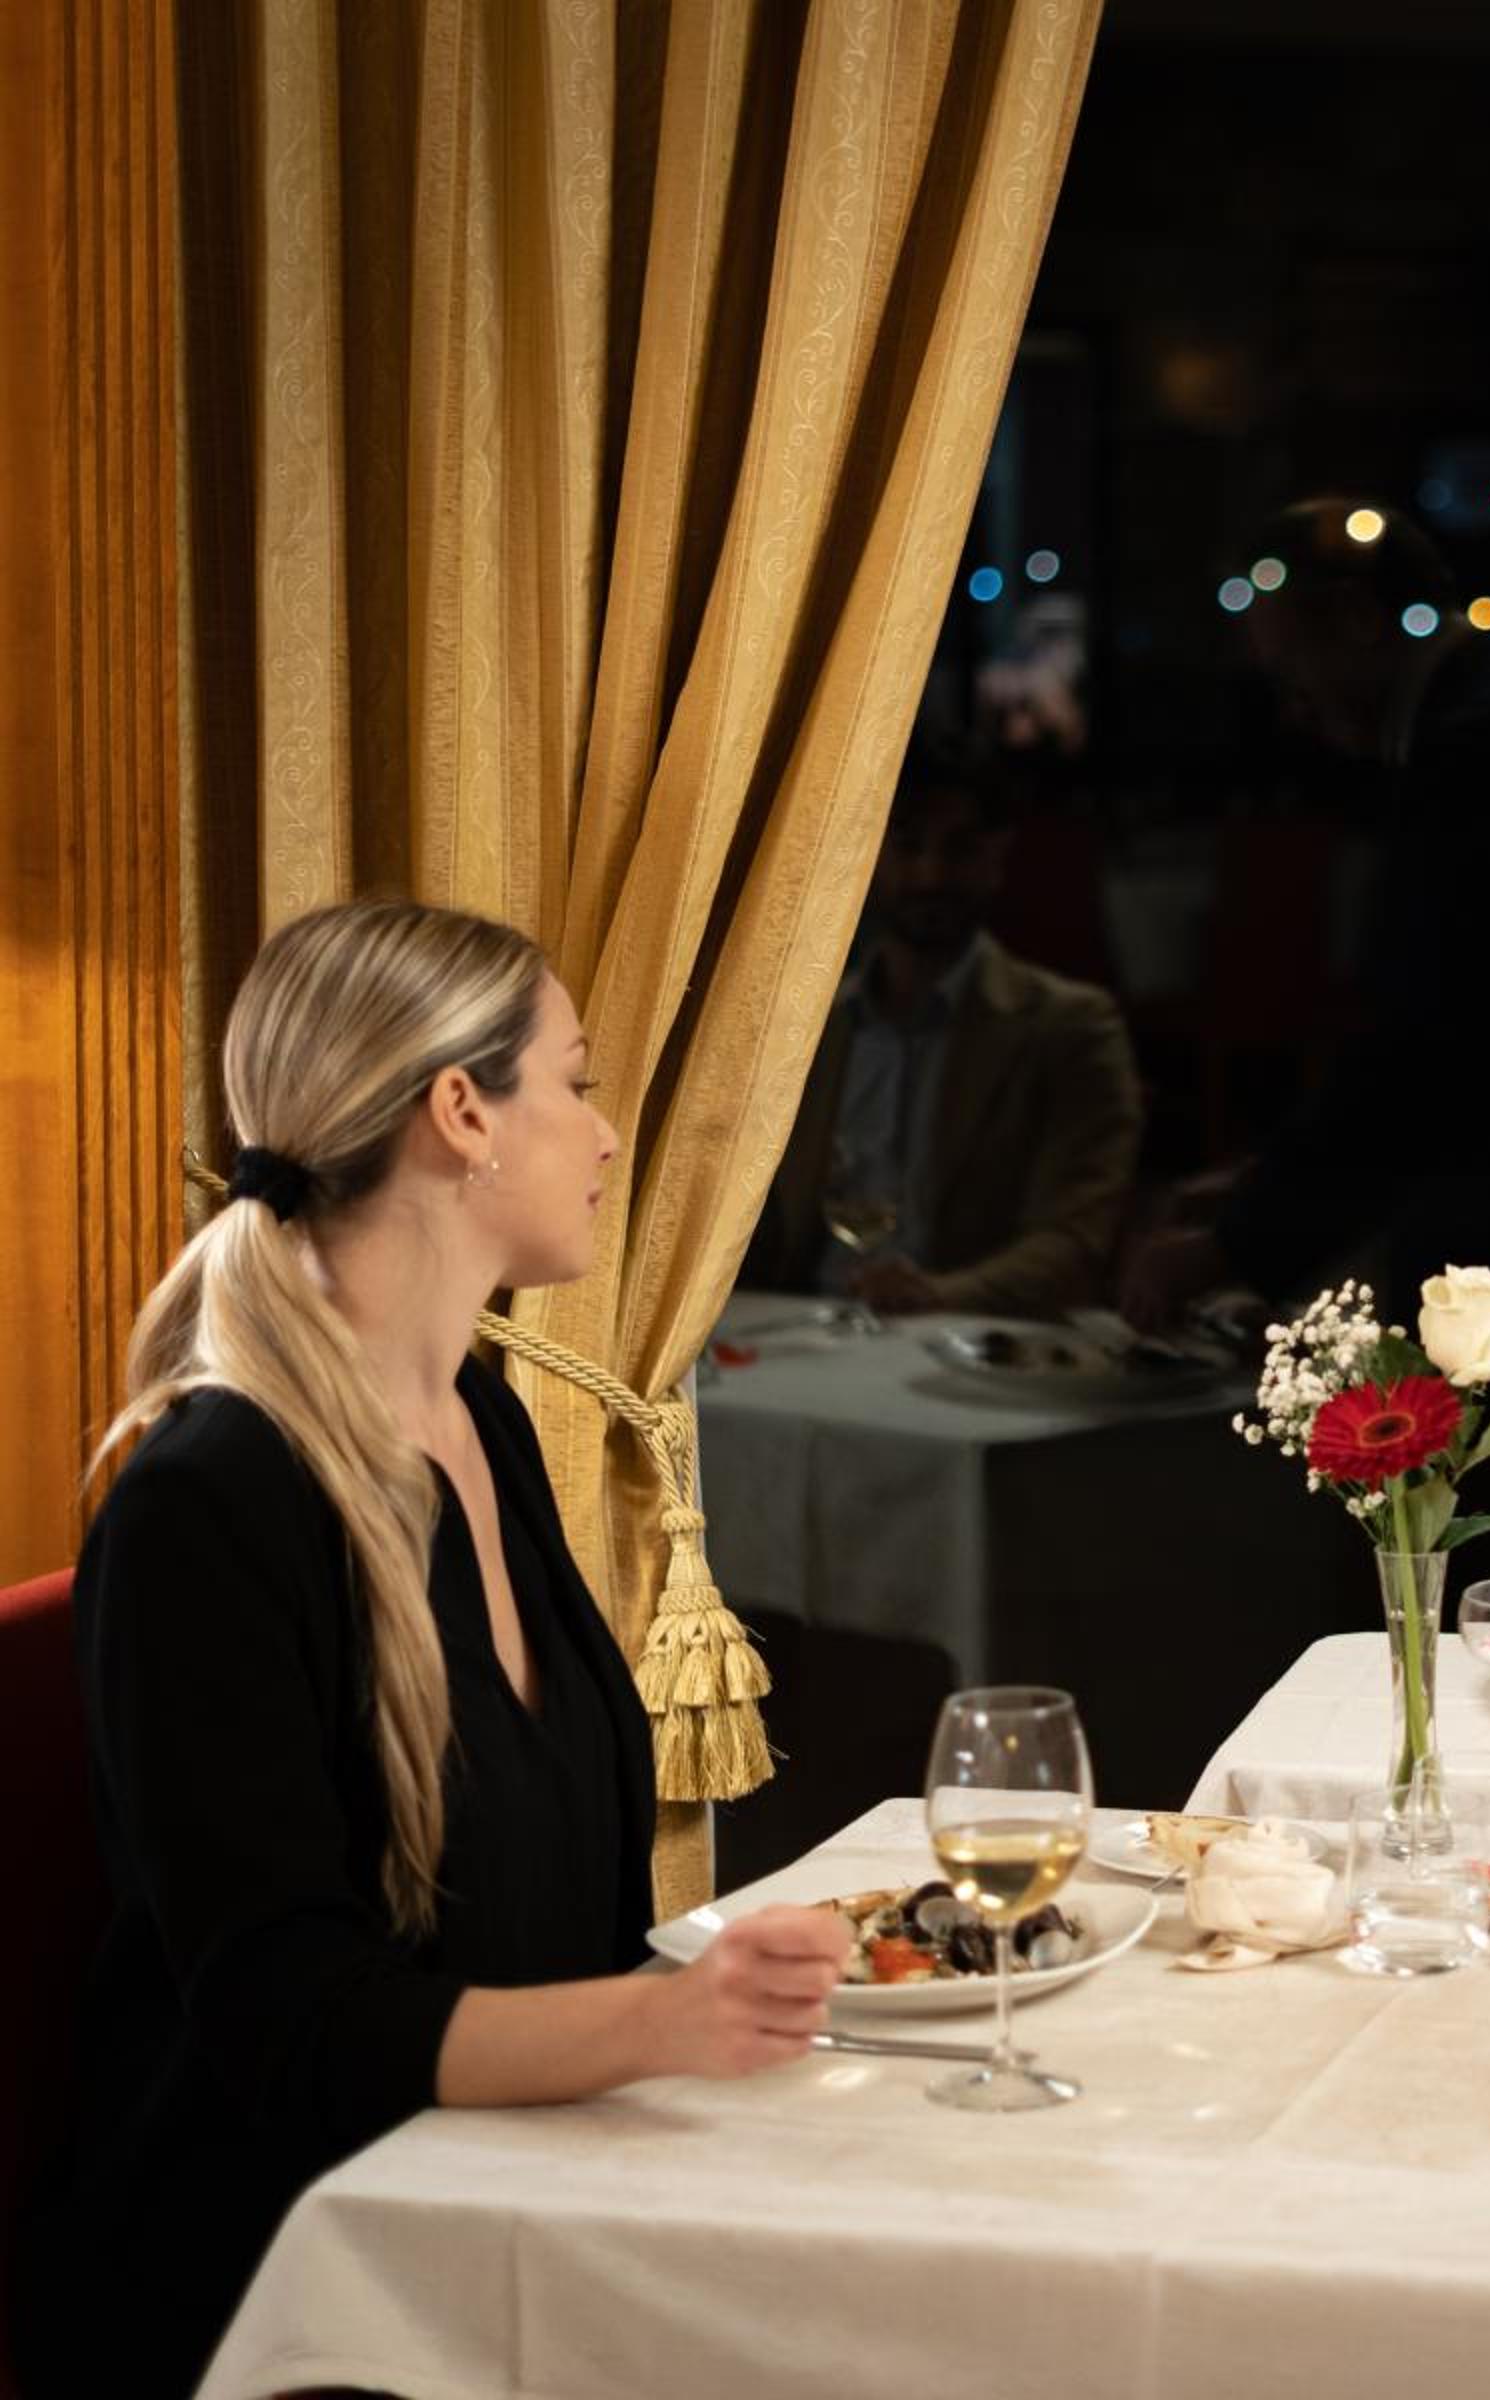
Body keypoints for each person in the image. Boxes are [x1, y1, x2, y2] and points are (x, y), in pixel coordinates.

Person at [12, 901, 852, 2399]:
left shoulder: (487, 1424)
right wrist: (663, 2020)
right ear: (462, 1113)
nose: (606, 1135)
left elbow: (552, 1900)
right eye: (576, 1082)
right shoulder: (212, 1501)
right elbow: (289, 2025)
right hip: (293, 2284)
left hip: (507, 2195)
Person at [1124, 497, 1490, 1579]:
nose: (1297, 714)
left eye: (1293, 677)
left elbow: (1429, 1049)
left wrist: (1240, 1242)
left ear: (1359, 621)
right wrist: (1267, 1183)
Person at [743, 757, 1144, 1316]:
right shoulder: (800, 1029)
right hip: (805, 1328)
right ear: (869, 852)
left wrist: (938, 1296)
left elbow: (1074, 1241)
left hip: (965, 1339)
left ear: (997, 857)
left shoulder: (1069, 1027)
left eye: (959, 850)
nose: (930, 876)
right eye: (909, 846)